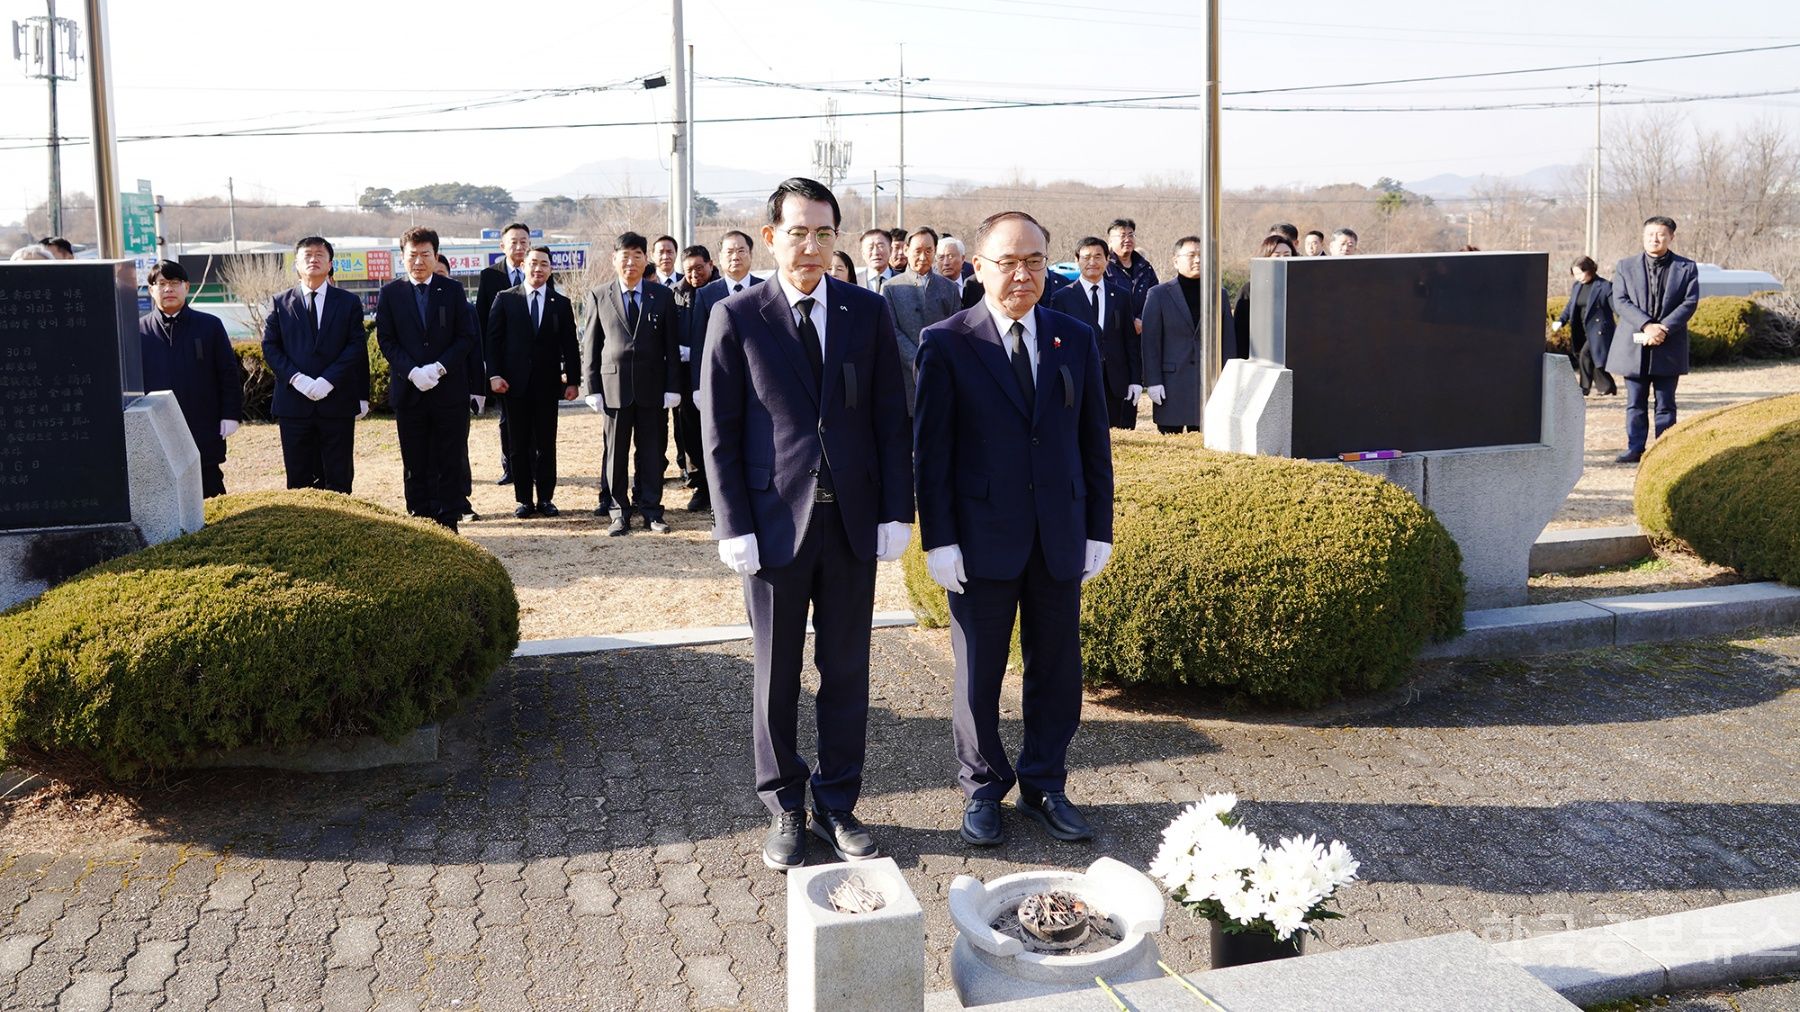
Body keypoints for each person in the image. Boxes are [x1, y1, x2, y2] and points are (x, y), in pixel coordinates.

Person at [699, 177, 912, 870]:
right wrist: (733, 524)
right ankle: (786, 805)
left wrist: (894, 512)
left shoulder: (866, 311)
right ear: (771, 236)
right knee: (777, 673)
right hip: (772, 527)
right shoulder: (738, 316)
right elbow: (720, 434)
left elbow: (889, 420)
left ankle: (839, 803)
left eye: (824, 233)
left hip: (850, 525)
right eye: (798, 232)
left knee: (847, 669)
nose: (812, 246)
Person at [913, 210, 1114, 848]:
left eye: (1033, 261)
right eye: (1008, 262)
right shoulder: (946, 342)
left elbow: (1092, 442)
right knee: (979, 675)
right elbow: (932, 453)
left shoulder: (1072, 338)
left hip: (1058, 533)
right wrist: (938, 540)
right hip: (978, 538)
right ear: (979, 268)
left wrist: (1097, 527)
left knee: (1056, 667)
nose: (1022, 274)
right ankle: (981, 789)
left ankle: (1045, 783)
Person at [376, 227, 480, 531]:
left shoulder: (452, 290)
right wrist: (412, 371)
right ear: (402, 258)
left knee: (449, 458)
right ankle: (419, 518)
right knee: (415, 461)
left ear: (435, 257)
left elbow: (465, 337)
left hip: (448, 391)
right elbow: (386, 339)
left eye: (426, 255)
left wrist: (438, 368)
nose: (419, 262)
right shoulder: (390, 293)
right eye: (413, 255)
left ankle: (449, 520)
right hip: (409, 393)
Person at [582, 231, 682, 535]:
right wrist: (592, 388)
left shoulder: (662, 296)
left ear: (645, 259)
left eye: (637, 255)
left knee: (652, 452)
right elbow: (590, 344)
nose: (631, 261)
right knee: (615, 452)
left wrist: (673, 387)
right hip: (613, 388)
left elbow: (671, 347)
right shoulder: (599, 295)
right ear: (614, 259)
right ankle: (618, 511)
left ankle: (651, 510)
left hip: (653, 388)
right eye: (625, 255)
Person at [263, 235, 369, 494]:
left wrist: (327, 380)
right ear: (296, 264)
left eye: (320, 255)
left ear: (330, 263)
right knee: (299, 477)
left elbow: (355, 346)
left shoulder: (348, 302)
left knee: (339, 475)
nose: (313, 259)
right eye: (307, 255)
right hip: (294, 404)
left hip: (336, 401)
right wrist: (297, 379)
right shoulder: (280, 303)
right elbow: (270, 347)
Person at [487, 245, 580, 518]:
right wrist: (494, 375)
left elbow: (570, 345)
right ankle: (524, 499)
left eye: (544, 265)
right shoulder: (505, 298)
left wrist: (573, 380)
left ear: (550, 270)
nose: (538, 269)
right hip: (513, 385)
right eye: (534, 263)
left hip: (547, 385)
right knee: (518, 444)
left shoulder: (559, 304)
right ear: (524, 266)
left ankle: (546, 498)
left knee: (545, 444)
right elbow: (492, 341)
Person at [138, 260, 243, 498]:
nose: (168, 289)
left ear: (187, 287)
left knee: (209, 486)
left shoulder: (209, 326)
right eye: (161, 284)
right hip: (156, 424)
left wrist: (230, 414)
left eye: (174, 283)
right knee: (161, 489)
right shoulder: (138, 331)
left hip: (203, 420)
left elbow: (228, 373)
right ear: (151, 289)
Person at [1609, 216, 1698, 464]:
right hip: (1635, 343)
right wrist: (1647, 325)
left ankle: (1664, 449)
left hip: (1668, 343)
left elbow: (1689, 302)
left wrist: (1663, 328)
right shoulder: (1625, 266)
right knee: (1635, 402)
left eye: (1660, 234)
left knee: (1666, 402)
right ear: (1643, 236)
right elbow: (1620, 301)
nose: (1654, 239)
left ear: (1671, 237)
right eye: (1650, 234)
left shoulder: (1686, 267)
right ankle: (1635, 447)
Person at [1141, 236, 1233, 434]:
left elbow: (1227, 341)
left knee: (1207, 440)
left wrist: (1229, 379)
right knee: (1171, 446)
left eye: (1202, 255)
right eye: (1192, 255)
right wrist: (1153, 381)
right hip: (1171, 383)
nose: (1198, 260)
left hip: (1208, 383)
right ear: (1175, 260)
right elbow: (1150, 343)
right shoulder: (1158, 294)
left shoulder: (1219, 294)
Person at [1051, 236, 1140, 430]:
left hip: (1115, 381)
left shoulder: (1121, 296)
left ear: (1107, 259)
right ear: (1077, 260)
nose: (1092, 262)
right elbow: (1056, 343)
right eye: (1086, 257)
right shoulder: (1062, 297)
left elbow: (1130, 341)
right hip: (1078, 378)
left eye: (1098, 256)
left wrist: (1135, 380)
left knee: (1117, 435)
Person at [477, 223, 536, 487]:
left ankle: (531, 464)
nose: (519, 247)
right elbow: (481, 318)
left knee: (534, 416)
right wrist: (489, 363)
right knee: (506, 418)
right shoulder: (490, 275)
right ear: (502, 246)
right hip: (502, 359)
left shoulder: (539, 271)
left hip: (533, 359)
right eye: (514, 242)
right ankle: (510, 466)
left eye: (524, 241)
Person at [883, 227, 962, 412]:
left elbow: (956, 328)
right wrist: (918, 359)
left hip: (942, 370)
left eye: (928, 251)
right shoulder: (891, 287)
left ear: (935, 252)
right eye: (917, 251)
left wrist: (937, 358)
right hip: (905, 375)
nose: (922, 256)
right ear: (906, 250)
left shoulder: (949, 288)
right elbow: (891, 329)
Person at [438, 254, 485, 523]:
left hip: (456, 389)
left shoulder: (465, 308)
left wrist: (477, 389)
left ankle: (461, 500)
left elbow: (474, 351)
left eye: (443, 273)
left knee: (457, 449)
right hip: (423, 391)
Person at [674, 244, 719, 511]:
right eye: (689, 269)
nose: (694, 275)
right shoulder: (675, 294)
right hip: (686, 376)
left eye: (699, 268)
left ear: (710, 265)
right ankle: (700, 484)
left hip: (716, 371)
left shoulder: (720, 291)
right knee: (690, 433)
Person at [1551, 255, 1618, 397]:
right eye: (1575, 274)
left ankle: (1583, 388)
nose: (1578, 277)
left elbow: (1616, 307)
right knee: (1594, 359)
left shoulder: (1604, 286)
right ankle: (1608, 386)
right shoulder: (1577, 286)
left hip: (1599, 330)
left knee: (1585, 355)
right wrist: (1561, 320)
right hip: (1581, 328)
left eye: (1581, 273)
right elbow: (1571, 305)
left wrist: (1627, 323)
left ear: (1590, 270)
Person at [1232, 234, 1295, 361]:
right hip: (1261, 358)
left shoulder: (1299, 286)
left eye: (1287, 255)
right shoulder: (1250, 289)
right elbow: (1241, 330)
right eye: (1277, 255)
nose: (1282, 259)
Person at [1104, 217, 1158, 325]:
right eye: (1122, 236)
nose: (1128, 239)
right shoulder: (1104, 267)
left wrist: (1141, 319)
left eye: (1131, 235)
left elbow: (1155, 297)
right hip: (1114, 330)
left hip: (1142, 329)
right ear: (1110, 240)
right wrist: (1129, 321)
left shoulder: (1145, 267)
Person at [937, 236, 983, 309]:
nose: (946, 263)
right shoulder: (931, 288)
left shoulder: (975, 284)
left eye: (950, 256)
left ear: (962, 258)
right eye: (941, 257)